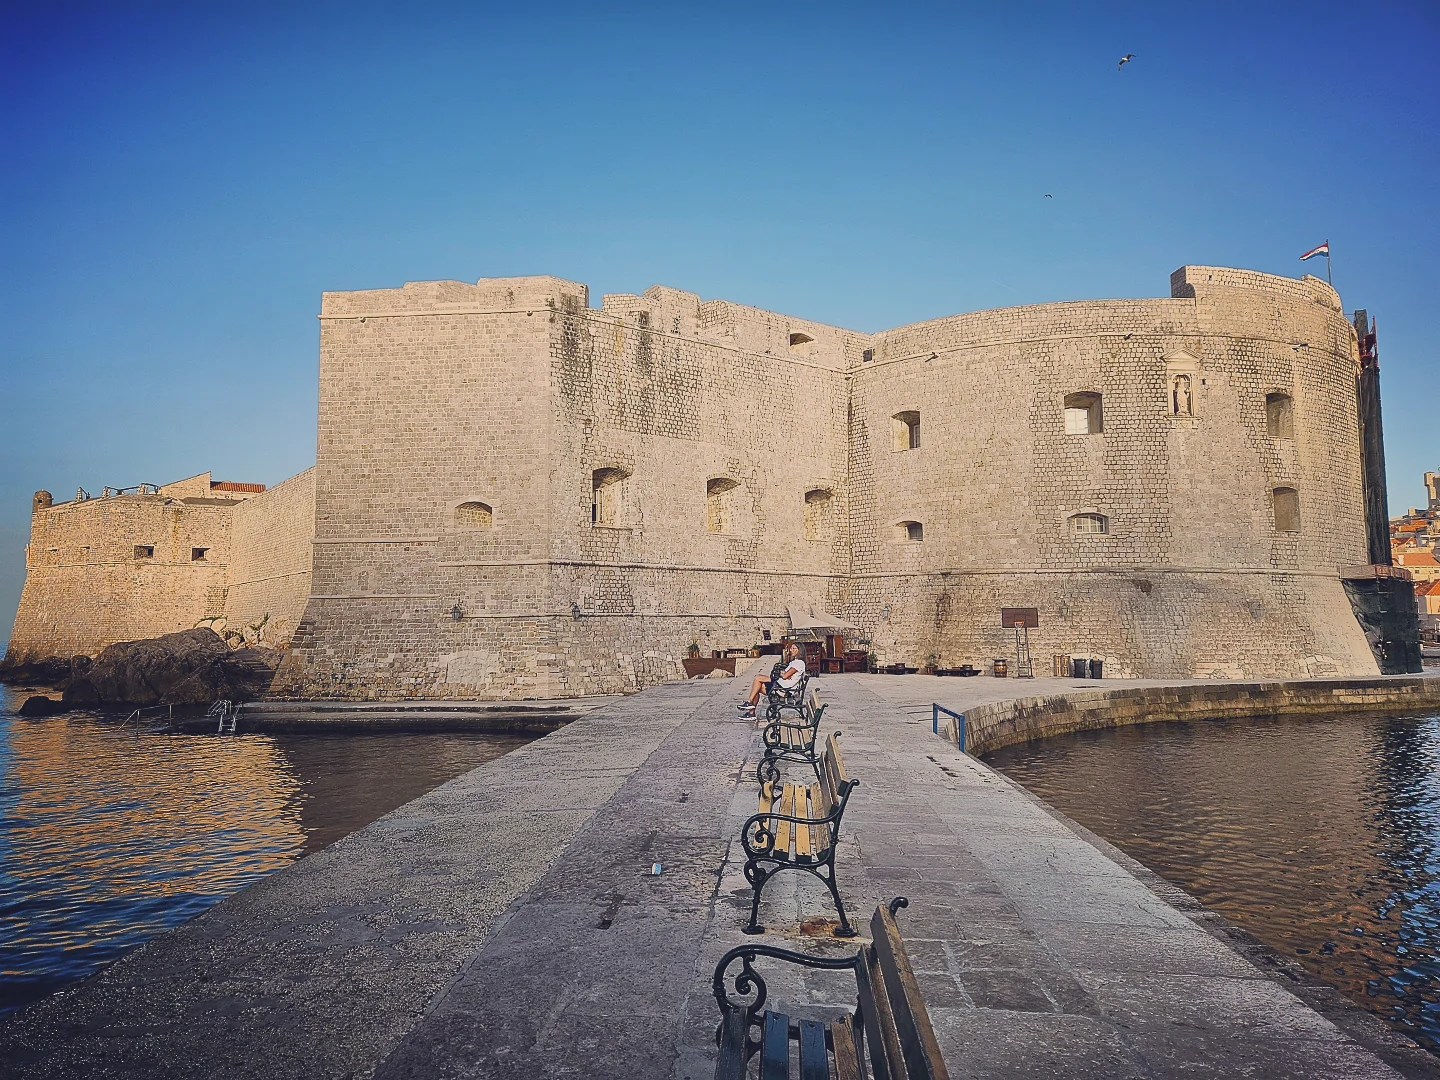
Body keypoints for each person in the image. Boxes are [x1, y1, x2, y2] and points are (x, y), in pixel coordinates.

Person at [738, 643, 806, 718]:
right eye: (791, 648)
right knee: (757, 687)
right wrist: (784, 674)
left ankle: (749, 704)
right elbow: (785, 674)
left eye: (794, 648)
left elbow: (785, 675)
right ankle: (751, 712)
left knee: (758, 679)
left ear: (800, 651)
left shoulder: (799, 663)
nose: (791, 650)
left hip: (783, 689)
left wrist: (783, 674)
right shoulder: (795, 662)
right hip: (781, 684)